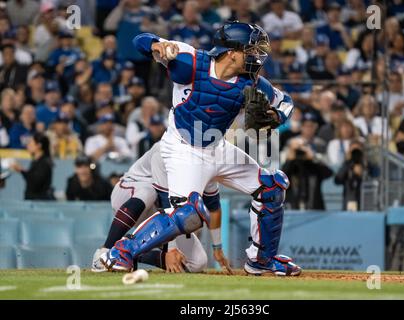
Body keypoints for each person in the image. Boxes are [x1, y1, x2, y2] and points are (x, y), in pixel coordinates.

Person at [101, 21, 301, 276]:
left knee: (272, 186)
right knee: (186, 215)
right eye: (252, 50)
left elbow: (285, 102)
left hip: (217, 147)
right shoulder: (189, 61)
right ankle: (121, 252)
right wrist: (157, 45)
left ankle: (261, 260)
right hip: (183, 149)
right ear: (233, 52)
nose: (257, 57)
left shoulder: (253, 83)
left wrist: (278, 116)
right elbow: (139, 40)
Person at [93, 142, 232, 274]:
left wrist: (217, 248)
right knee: (149, 192)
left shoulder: (207, 165)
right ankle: (105, 251)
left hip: (162, 213)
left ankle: (127, 254)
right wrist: (170, 250)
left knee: (197, 263)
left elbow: (213, 208)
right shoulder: (165, 150)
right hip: (130, 193)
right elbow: (167, 203)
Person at [282, 113, 333, 210]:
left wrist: (313, 157)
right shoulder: (292, 142)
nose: (308, 129)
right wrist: (290, 158)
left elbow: (328, 172)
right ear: (301, 127)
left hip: (313, 193)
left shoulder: (320, 144)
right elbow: (283, 175)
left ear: (316, 127)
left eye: (311, 126)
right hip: (295, 191)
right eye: (306, 126)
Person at [10, 132, 54, 200]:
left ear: (39, 145)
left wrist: (21, 170)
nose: (28, 145)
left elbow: (35, 183)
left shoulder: (44, 163)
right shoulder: (36, 161)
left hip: (39, 203)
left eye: (31, 143)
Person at [334, 139, 366, 211]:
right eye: (353, 151)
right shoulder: (347, 165)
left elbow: (374, 177)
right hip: (349, 204)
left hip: (365, 204)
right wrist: (347, 162)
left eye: (358, 151)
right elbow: (337, 180)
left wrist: (364, 170)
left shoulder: (366, 165)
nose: (355, 154)